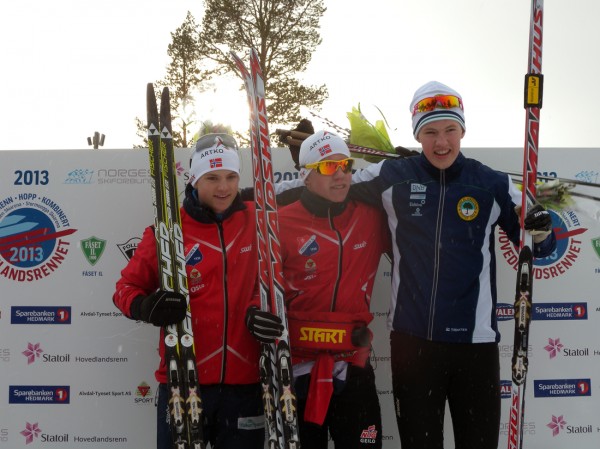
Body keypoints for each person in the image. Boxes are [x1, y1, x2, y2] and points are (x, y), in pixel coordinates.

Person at [347, 81, 556, 449]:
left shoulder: (491, 183)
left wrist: (541, 232)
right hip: (413, 342)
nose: (441, 143)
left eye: (449, 131)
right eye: (429, 132)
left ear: (462, 130)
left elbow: (537, 248)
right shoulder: (391, 176)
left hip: (474, 345)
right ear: (417, 134)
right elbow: (330, 186)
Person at [113, 134, 281, 449]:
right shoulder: (168, 230)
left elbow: (271, 283)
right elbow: (125, 288)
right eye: (212, 177)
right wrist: (146, 306)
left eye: (231, 177)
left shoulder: (256, 222)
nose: (224, 187)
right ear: (194, 179)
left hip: (244, 384)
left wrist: (260, 312)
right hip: (183, 379)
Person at [275, 130, 390, 449]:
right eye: (327, 167)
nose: (340, 175)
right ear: (306, 176)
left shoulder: (372, 215)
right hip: (296, 370)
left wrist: (414, 170)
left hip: (355, 368)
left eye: (345, 165)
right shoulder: (279, 221)